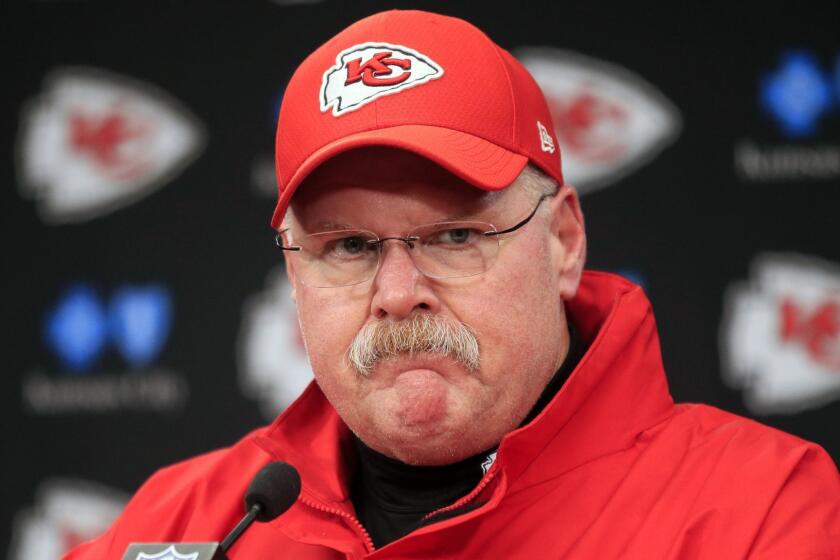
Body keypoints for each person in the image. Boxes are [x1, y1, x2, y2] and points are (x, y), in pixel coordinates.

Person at [68, 9, 839, 559]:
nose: (398, 291)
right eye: (351, 245)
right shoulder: (182, 523)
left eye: (456, 235)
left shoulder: (760, 510)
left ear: (564, 242)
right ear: (292, 269)